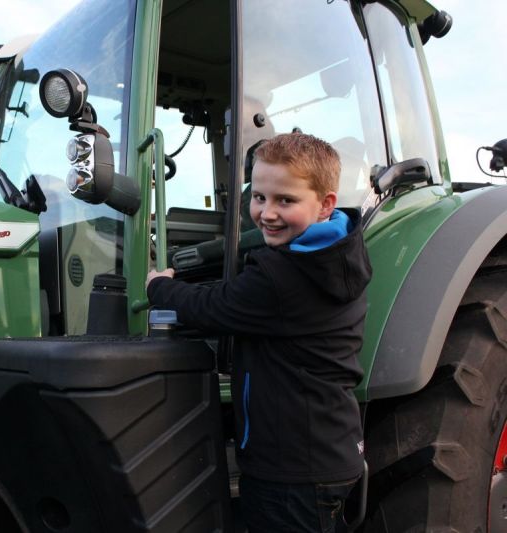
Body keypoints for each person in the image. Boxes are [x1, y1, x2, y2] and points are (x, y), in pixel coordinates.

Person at [146, 133, 372, 532]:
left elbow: (213, 307)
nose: (267, 213)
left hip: (290, 471)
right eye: (259, 197)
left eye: (285, 201)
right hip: (326, 453)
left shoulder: (283, 276)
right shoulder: (337, 255)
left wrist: (159, 286)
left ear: (326, 204)